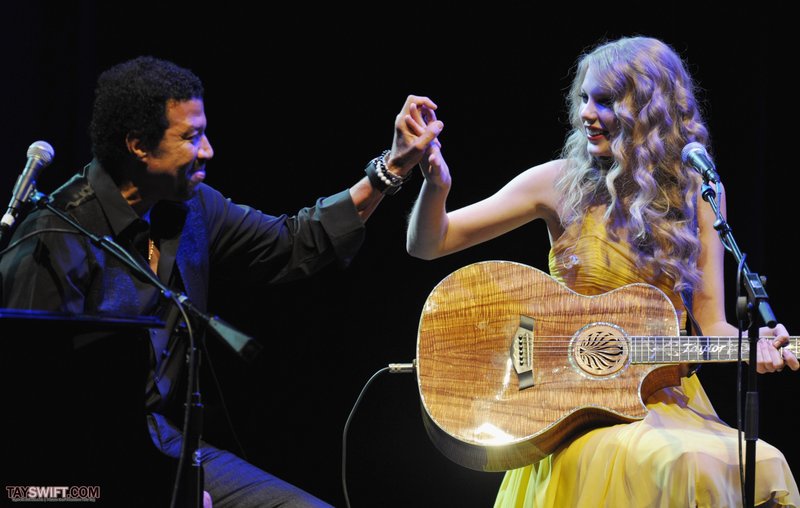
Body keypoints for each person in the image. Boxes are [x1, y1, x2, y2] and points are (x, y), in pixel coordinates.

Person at [0, 56, 443, 507]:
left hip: (168, 443)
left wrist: (393, 166)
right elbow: (31, 420)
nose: (208, 149)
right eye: (190, 137)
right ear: (138, 145)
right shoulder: (52, 241)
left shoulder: (189, 209)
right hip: (81, 467)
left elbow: (294, 241)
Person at [405, 37, 799, 507]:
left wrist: (751, 350)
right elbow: (429, 243)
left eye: (605, 101)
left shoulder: (697, 193)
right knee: (676, 464)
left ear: (650, 113)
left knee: (764, 463)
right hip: (571, 401)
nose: (586, 113)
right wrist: (436, 186)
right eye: (583, 98)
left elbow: (711, 323)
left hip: (661, 399)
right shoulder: (557, 184)